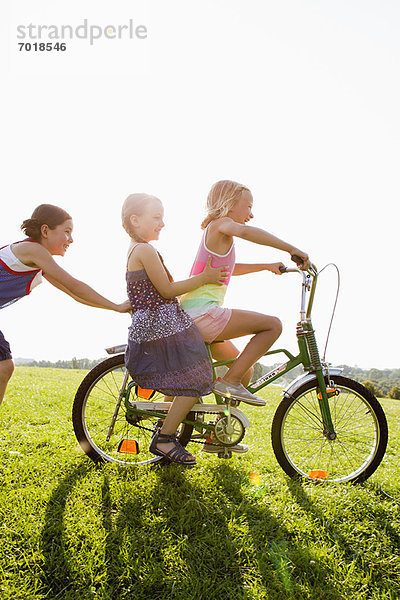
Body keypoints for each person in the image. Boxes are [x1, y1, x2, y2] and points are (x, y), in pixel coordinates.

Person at [181, 180, 310, 438]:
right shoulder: (221, 225)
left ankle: (215, 434)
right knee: (273, 325)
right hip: (202, 315)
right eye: (248, 207)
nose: (251, 215)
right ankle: (228, 383)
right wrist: (290, 248)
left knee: (245, 370)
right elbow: (248, 232)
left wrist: (265, 265)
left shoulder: (218, 234)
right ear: (229, 204)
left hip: (195, 315)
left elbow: (230, 269)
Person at [122, 193, 229, 466]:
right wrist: (203, 278)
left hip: (159, 323)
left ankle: (167, 428)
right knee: (195, 378)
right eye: (156, 217)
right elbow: (166, 290)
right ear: (135, 219)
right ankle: (166, 437)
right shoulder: (144, 250)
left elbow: (149, 292)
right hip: (162, 327)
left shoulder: (139, 250)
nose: (162, 223)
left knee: (186, 376)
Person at [0, 204, 131, 407]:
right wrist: (116, 306)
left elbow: (74, 294)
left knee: (4, 367)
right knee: (4, 366)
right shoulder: (33, 250)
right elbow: (75, 285)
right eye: (67, 232)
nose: (71, 239)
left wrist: (115, 307)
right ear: (45, 231)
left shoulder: (38, 261)